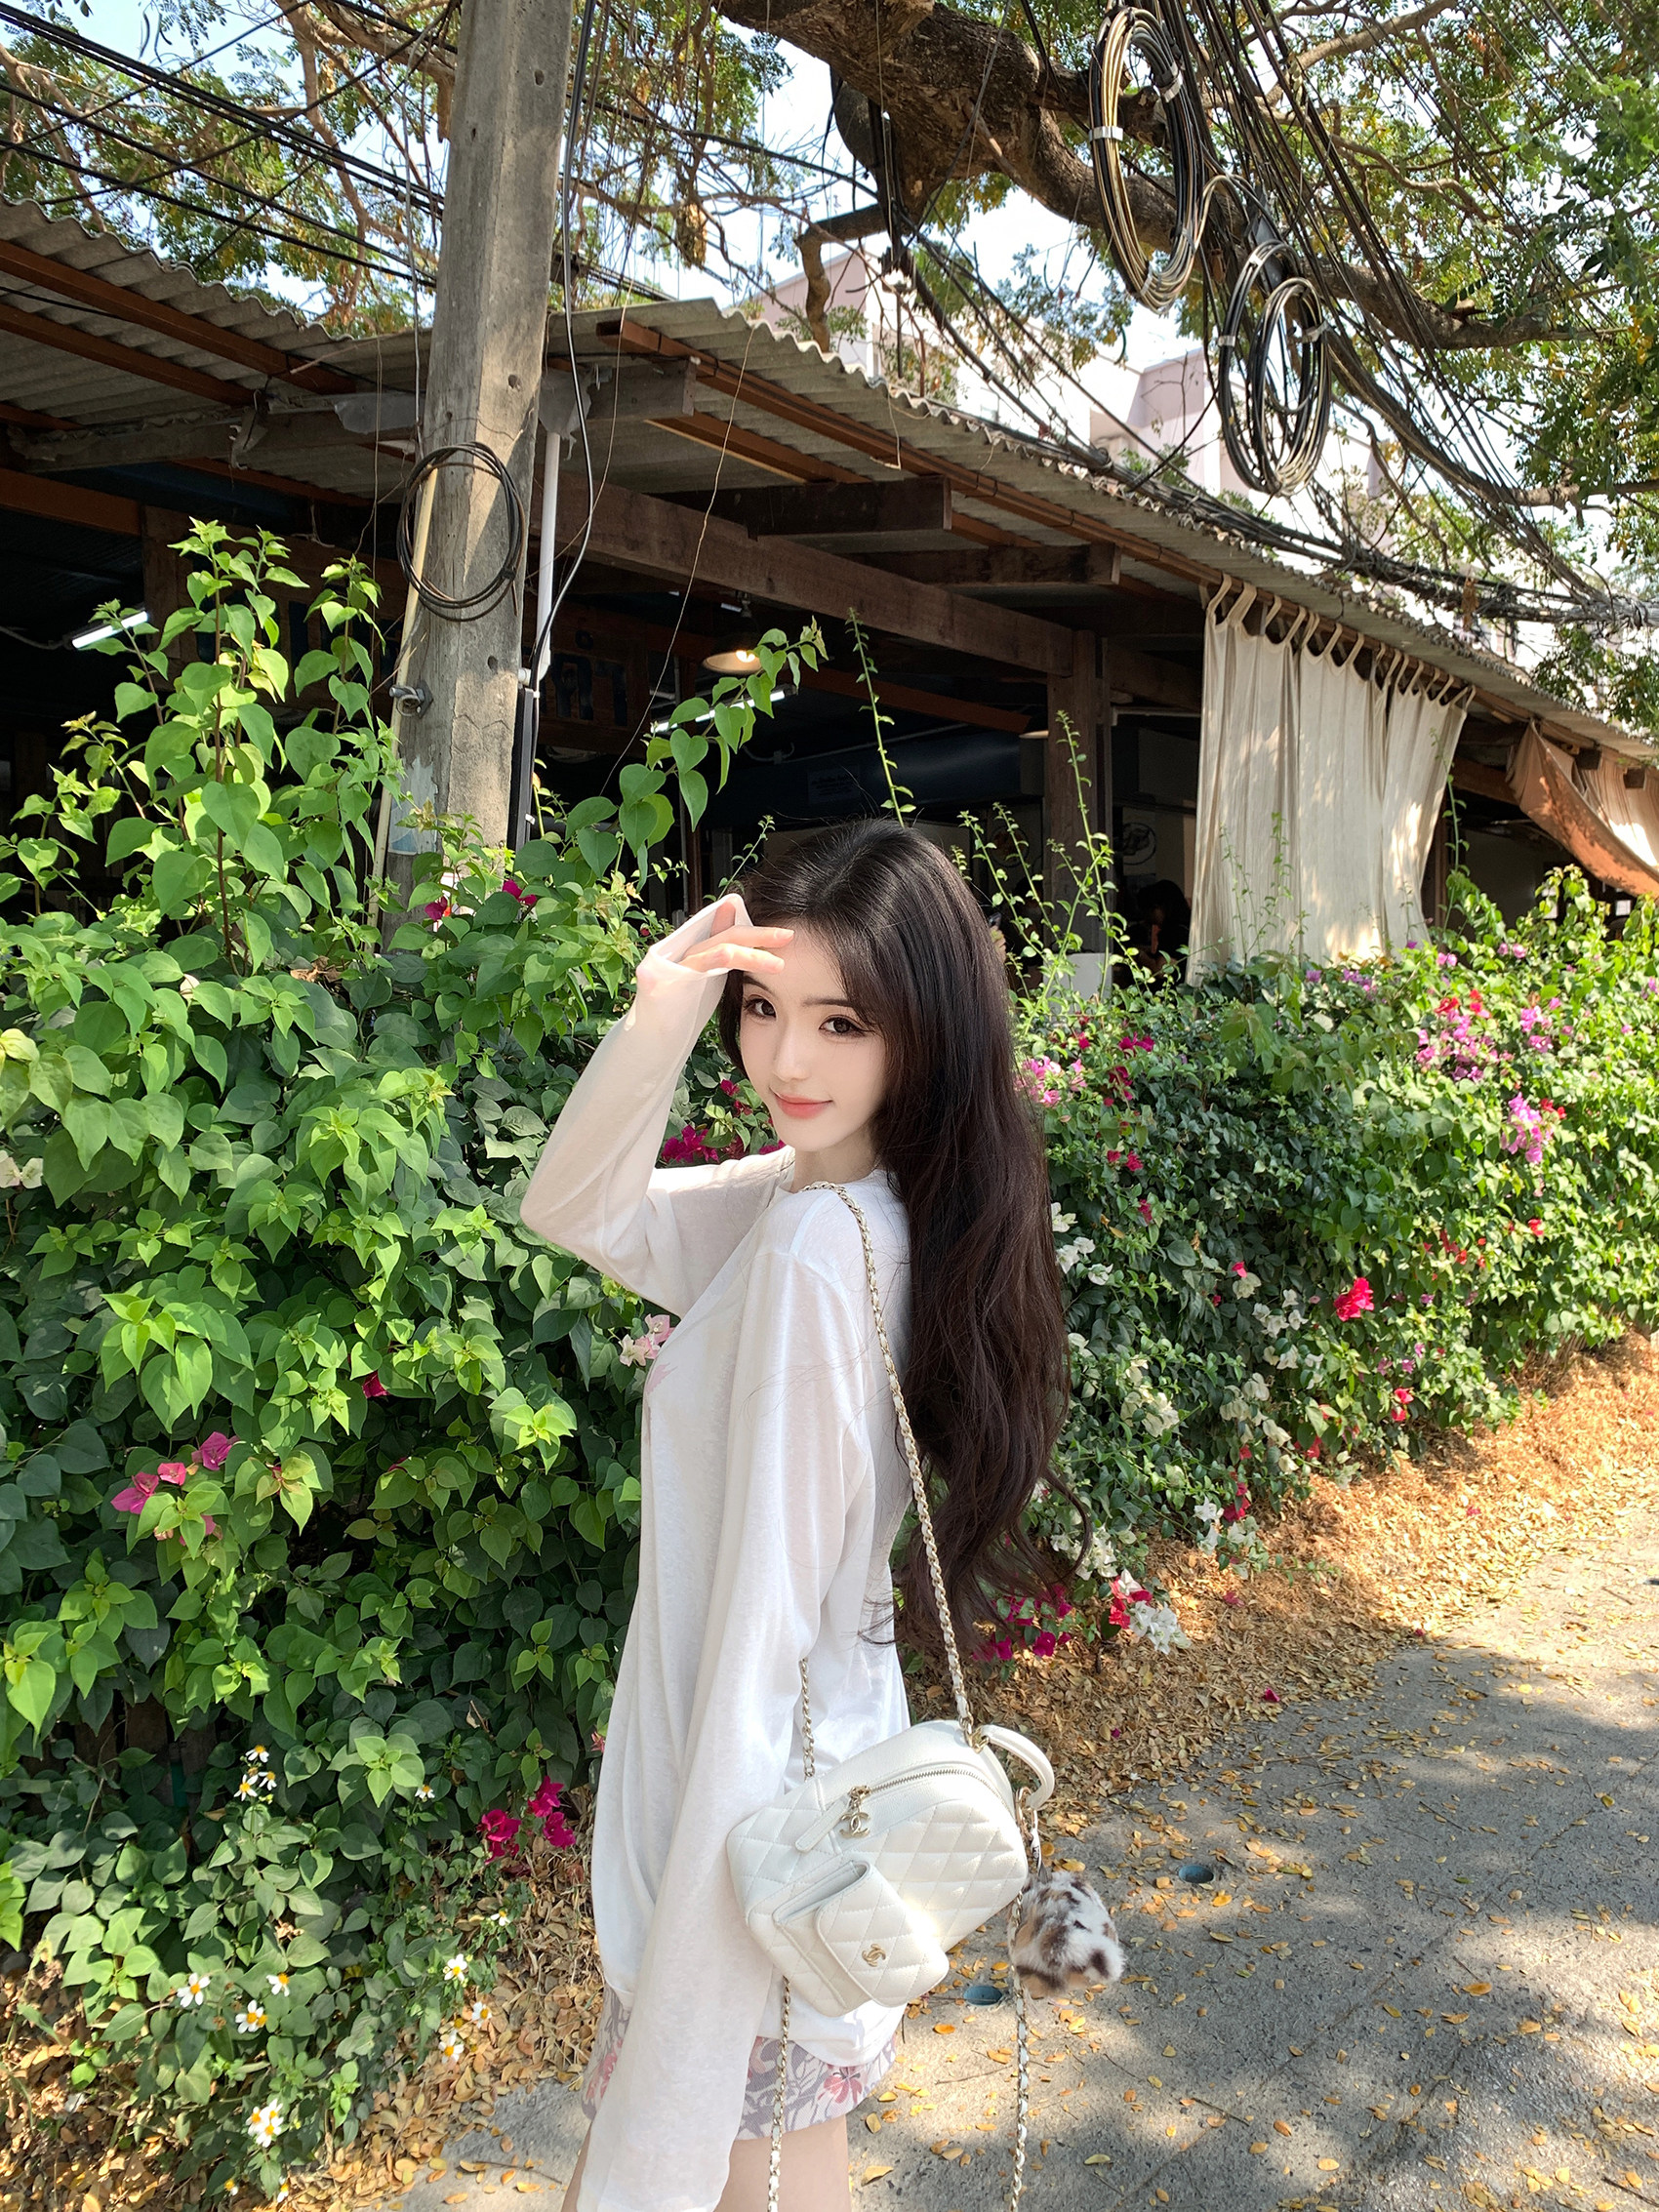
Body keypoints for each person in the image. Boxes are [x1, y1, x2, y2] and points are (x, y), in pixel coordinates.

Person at [520, 818, 1072, 2212]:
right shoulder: (831, 1203)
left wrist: (696, 1969)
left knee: (700, 2172)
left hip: (749, 1840)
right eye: (764, 1008)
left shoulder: (823, 1247)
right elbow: (581, 1209)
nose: (784, 1062)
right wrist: (664, 1009)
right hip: (798, 1804)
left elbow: (759, 1641)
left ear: (921, 1033)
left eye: (841, 1021)